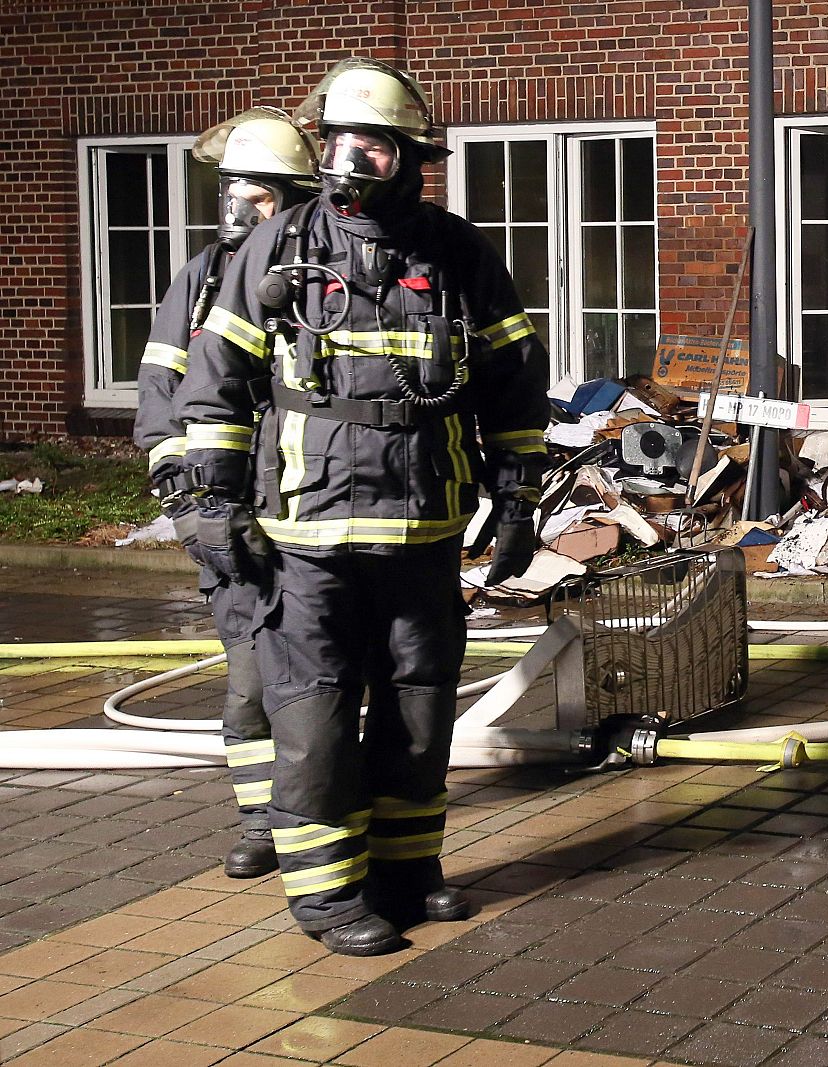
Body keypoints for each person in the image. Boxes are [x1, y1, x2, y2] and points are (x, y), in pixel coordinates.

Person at [175, 57, 550, 956]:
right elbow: (216, 381)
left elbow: (512, 381)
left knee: (419, 715)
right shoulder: (279, 246)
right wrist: (211, 502)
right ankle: (327, 897)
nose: (353, 160)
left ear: (411, 157)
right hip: (304, 538)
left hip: (424, 531)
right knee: (313, 719)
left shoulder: (458, 252)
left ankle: (406, 873)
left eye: (374, 145)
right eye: (341, 141)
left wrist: (517, 497)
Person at [134, 106, 319, 880]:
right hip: (229, 521)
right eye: (231, 190)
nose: (240, 208)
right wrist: (191, 511)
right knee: (249, 685)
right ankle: (261, 823)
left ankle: (328, 819)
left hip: (312, 519)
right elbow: (160, 403)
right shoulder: (200, 281)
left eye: (259, 194)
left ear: (295, 199)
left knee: (323, 689)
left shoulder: (323, 280)